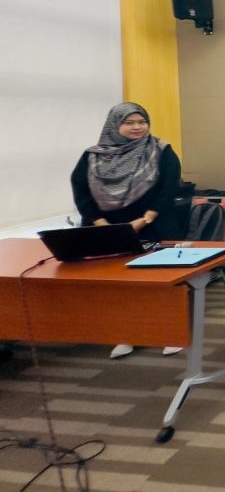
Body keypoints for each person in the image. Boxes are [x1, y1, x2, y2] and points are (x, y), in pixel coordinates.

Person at [71, 102, 183, 359]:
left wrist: (145, 219)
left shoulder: (161, 151)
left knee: (162, 282)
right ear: (114, 126)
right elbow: (81, 191)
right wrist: (103, 225)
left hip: (154, 225)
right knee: (119, 285)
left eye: (142, 122)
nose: (137, 127)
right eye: (129, 123)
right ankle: (126, 334)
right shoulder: (93, 156)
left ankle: (170, 333)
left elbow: (169, 188)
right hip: (106, 229)